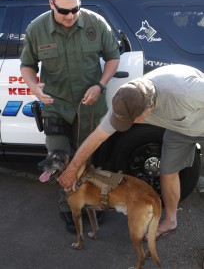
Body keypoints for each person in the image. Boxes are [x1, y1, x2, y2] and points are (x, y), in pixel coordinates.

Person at [58, 63, 204, 238]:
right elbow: (97, 137)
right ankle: (171, 221)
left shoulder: (186, 90)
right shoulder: (126, 99)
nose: (129, 123)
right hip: (179, 129)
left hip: (196, 116)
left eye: (133, 120)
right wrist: (72, 169)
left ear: (150, 108)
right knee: (167, 170)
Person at [20, 0, 120, 233]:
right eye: (64, 11)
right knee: (58, 158)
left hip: (89, 108)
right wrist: (34, 86)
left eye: (75, 9)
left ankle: (92, 204)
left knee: (87, 159)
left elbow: (113, 57)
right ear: (51, 3)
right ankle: (69, 208)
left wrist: (100, 85)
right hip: (56, 105)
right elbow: (27, 64)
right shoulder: (37, 28)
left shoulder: (95, 23)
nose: (70, 16)